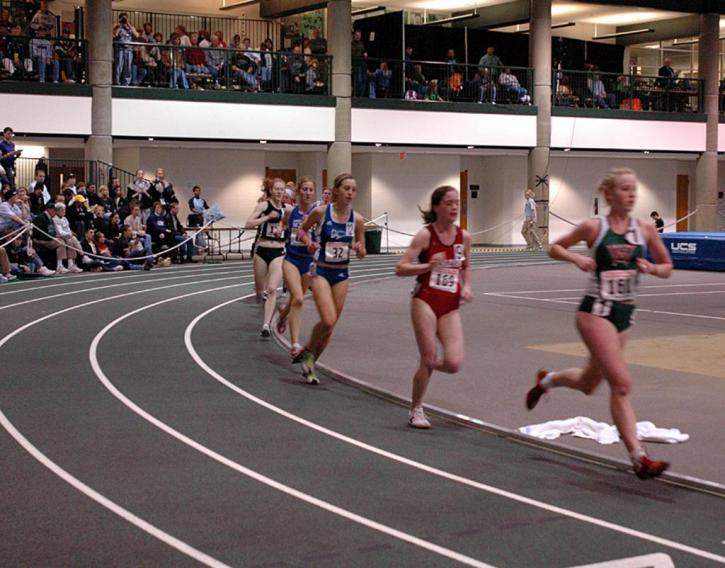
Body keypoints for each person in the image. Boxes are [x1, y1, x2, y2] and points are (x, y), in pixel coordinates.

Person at [525, 168, 673, 480]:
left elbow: (667, 266)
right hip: (595, 313)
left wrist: (652, 268)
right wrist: (576, 258)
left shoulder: (645, 228)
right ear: (609, 194)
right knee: (621, 384)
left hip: (624, 315)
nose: (631, 195)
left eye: (634, 189)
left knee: (590, 383)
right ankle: (639, 457)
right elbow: (555, 246)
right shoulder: (594, 227)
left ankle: (546, 381)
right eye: (624, 189)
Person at [395, 186, 473, 428]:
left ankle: (426, 367)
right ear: (437, 206)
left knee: (453, 363)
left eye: (457, 203)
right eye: (449, 203)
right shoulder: (425, 235)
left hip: (449, 304)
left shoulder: (464, 237)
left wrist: (467, 285)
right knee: (428, 357)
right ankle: (416, 408)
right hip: (425, 299)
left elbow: (467, 264)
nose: (454, 207)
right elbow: (400, 268)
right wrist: (428, 266)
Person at [293, 173, 366, 384]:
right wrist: (309, 242)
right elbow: (301, 231)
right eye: (346, 189)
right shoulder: (321, 212)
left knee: (330, 328)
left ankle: (310, 361)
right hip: (321, 271)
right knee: (328, 319)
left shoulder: (358, 219)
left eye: (354, 189)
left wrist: (360, 249)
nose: (350, 193)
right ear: (336, 191)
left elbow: (362, 252)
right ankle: (307, 349)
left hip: (342, 273)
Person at [276, 176, 317, 358]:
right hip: (291, 260)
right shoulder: (290, 211)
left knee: (294, 298)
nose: (307, 193)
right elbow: (283, 224)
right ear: (299, 191)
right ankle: (294, 344)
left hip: (308, 262)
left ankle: (283, 314)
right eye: (305, 189)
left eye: (310, 190)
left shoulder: (318, 213)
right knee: (299, 298)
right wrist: (280, 229)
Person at [245, 178, 289, 337]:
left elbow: (300, 221)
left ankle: (266, 324)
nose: (279, 192)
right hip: (262, 250)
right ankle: (258, 294)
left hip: (278, 251)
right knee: (260, 291)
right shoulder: (264, 205)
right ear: (271, 191)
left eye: (282, 189)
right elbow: (248, 223)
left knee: (271, 289)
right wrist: (267, 217)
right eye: (276, 189)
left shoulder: (288, 209)